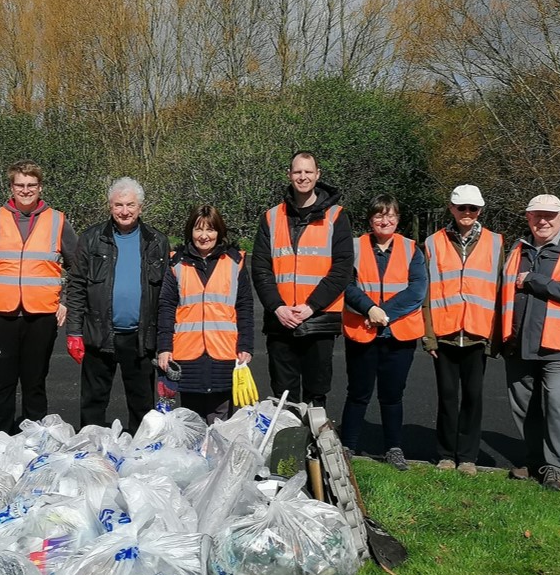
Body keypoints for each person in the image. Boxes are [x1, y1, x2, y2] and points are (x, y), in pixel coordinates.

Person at [0, 160, 77, 434]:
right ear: (11, 187)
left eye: (31, 185)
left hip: (40, 315)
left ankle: (34, 440)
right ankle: (0, 439)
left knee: (34, 384)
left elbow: (78, 265)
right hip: (0, 315)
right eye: (20, 185)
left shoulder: (57, 220)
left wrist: (65, 300)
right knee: (0, 385)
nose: (26, 190)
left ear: (40, 187)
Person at [65, 177, 169, 434]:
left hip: (141, 337)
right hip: (99, 334)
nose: (124, 211)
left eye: (130, 205)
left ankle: (141, 450)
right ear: (110, 206)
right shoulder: (91, 238)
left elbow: (166, 294)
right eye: (118, 205)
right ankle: (91, 448)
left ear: (140, 207)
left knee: (142, 405)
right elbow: (76, 286)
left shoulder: (157, 241)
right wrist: (74, 331)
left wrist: (167, 340)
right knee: (93, 403)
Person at [251, 150, 354, 407]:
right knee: (283, 396)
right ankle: (288, 435)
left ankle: (313, 435)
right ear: (289, 175)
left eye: (308, 171)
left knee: (316, 395)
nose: (303, 177)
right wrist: (277, 307)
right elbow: (261, 269)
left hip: (319, 320)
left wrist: (311, 306)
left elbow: (342, 269)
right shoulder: (271, 217)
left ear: (318, 175)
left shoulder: (336, 216)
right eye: (297, 171)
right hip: (280, 321)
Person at [340, 194, 426, 470]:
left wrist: (382, 314)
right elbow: (345, 284)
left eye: (390, 215)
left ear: (398, 219)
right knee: (358, 393)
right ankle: (347, 447)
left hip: (398, 335)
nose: (385, 220)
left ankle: (393, 448)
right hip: (361, 332)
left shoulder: (412, 249)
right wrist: (369, 309)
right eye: (379, 215)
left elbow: (417, 290)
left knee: (392, 395)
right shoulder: (354, 247)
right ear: (370, 219)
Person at [423, 185, 502, 475]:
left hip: (477, 335)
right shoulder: (433, 242)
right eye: (462, 207)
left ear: (480, 210)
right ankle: (446, 455)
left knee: (473, 397)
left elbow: (499, 291)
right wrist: (429, 336)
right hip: (444, 334)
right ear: (452, 208)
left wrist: (494, 337)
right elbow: (425, 292)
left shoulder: (496, 242)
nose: (467, 213)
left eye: (473, 208)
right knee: (446, 397)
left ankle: (467, 457)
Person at [502, 194, 560, 491]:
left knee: (556, 406)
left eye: (549, 215)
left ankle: (556, 468)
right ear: (528, 217)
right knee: (524, 408)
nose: (543, 221)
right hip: (519, 343)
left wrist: (536, 280)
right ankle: (534, 462)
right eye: (537, 215)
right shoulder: (517, 249)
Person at [156, 204, 254, 424]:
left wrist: (246, 345)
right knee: (192, 421)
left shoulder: (235, 262)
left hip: (224, 353)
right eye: (198, 229)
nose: (204, 236)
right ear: (190, 231)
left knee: (221, 421)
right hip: (187, 354)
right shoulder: (176, 263)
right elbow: (166, 306)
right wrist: (164, 347)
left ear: (219, 232)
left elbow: (245, 307)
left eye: (210, 229)